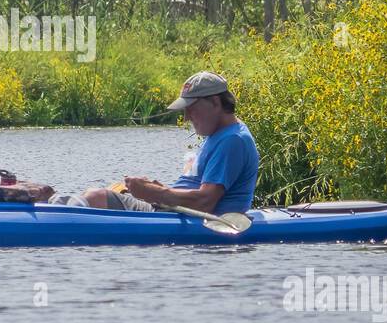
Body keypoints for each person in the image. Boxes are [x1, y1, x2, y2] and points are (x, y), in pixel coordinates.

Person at [59, 71, 260, 215]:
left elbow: (205, 201)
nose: (187, 117)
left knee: (97, 197)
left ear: (216, 102)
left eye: (191, 109)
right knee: (112, 189)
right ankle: (52, 205)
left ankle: (54, 215)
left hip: (198, 219)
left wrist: (155, 193)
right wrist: (153, 189)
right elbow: (195, 189)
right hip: (175, 211)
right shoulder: (221, 134)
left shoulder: (232, 140)